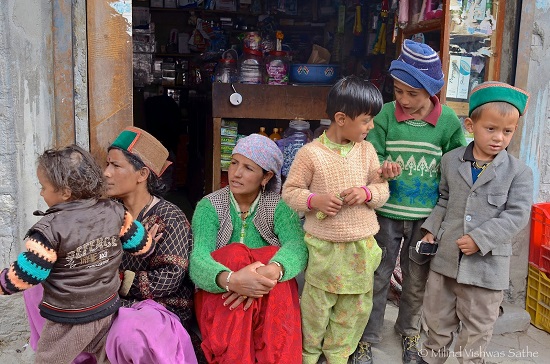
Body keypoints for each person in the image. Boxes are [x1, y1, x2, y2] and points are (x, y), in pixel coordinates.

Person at [23, 127, 199, 364]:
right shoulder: (104, 210)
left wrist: (113, 278)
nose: (105, 173)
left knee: (129, 328)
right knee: (39, 288)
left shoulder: (169, 216)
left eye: (116, 166)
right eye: (106, 164)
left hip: (154, 308)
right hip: (104, 302)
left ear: (142, 174)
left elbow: (168, 279)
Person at [353, 39, 467, 364]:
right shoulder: (386, 115)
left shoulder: (448, 124)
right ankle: (367, 337)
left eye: (412, 93)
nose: (403, 99)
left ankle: (408, 332)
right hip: (387, 214)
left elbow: (455, 164)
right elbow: (371, 154)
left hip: (426, 219)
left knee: (416, 280)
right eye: (398, 90)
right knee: (378, 275)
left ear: (431, 91)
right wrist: (381, 168)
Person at [2, 144, 154, 363]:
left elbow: (27, 275)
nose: (41, 192)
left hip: (68, 318)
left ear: (65, 192)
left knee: (50, 359)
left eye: (43, 187)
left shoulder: (49, 231)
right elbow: (143, 246)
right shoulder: (116, 211)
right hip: (107, 308)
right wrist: (149, 241)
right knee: (105, 357)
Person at [418, 82, 533, 363]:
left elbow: (516, 215)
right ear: (470, 125)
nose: (498, 138)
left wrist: (480, 239)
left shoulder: (519, 172)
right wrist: (431, 230)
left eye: (507, 131)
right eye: (490, 129)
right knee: (436, 320)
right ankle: (431, 358)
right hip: (446, 261)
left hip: (486, 268)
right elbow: (444, 199)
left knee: (477, 328)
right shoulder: (450, 161)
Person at [282, 75, 390, 364]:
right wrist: (313, 200)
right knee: (316, 307)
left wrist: (367, 192)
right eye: (367, 120)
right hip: (324, 248)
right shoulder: (310, 154)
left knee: (354, 307)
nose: (371, 127)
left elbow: (382, 190)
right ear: (341, 118)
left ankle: (338, 355)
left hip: (360, 247)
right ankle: (309, 355)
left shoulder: (367, 151)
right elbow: (290, 191)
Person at [190, 133, 308, 364]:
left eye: (248, 168)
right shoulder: (210, 206)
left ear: (267, 176)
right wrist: (231, 279)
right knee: (234, 254)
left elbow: (296, 246)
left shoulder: (280, 207)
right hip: (223, 296)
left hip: (267, 296)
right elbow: (198, 258)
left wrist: (273, 270)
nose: (236, 173)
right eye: (234, 163)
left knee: (275, 265)